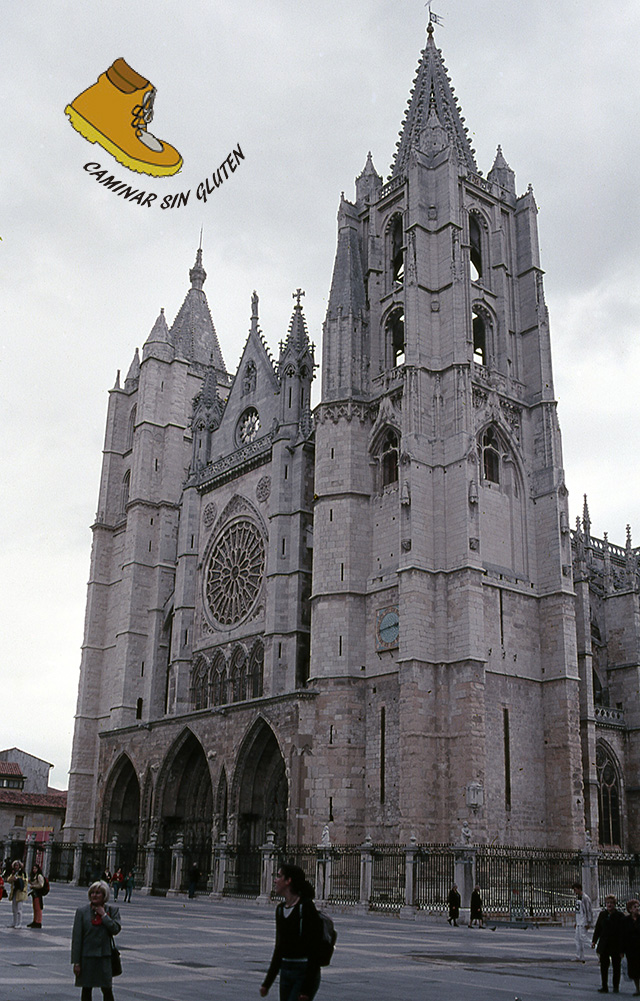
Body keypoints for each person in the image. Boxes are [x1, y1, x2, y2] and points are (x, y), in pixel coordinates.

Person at [260, 864, 322, 1001]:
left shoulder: (306, 908)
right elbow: (279, 947)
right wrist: (267, 983)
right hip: (286, 970)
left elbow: (314, 949)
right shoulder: (281, 909)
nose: (275, 880)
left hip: (303, 971)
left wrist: (306, 989)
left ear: (288, 881)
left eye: (279, 876)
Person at [72, 879, 121, 1001]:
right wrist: (76, 962)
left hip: (104, 957)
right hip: (87, 958)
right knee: (86, 989)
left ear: (105, 895)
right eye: (92, 892)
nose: (94, 895)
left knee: (107, 989)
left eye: (98, 893)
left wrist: (104, 916)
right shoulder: (82, 912)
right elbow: (77, 938)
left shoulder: (112, 911)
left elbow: (115, 929)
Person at [592, 893, 625, 994]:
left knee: (616, 967)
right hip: (604, 944)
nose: (609, 905)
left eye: (611, 903)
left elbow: (623, 933)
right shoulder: (603, 915)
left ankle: (616, 986)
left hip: (615, 945)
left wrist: (622, 949)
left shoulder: (619, 916)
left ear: (615, 904)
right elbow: (598, 929)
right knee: (604, 967)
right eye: (607, 903)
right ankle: (604, 986)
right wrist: (594, 941)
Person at [572, 882, 593, 962]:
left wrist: (588, 922)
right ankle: (579, 956)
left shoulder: (585, 898)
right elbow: (578, 911)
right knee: (577, 939)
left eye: (575, 889)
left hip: (583, 921)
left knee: (583, 938)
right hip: (579, 921)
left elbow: (588, 910)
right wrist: (576, 921)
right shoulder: (578, 898)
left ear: (579, 889)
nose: (575, 891)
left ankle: (596, 947)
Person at [7, 859, 28, 928]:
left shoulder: (22, 873)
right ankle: (14, 922)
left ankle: (19, 923)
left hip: (20, 893)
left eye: (17, 865)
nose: (16, 867)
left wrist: (19, 879)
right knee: (14, 909)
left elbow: (25, 882)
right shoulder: (14, 873)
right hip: (14, 892)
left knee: (19, 909)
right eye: (15, 865)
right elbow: (8, 880)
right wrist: (13, 877)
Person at [625, 899, 640, 996]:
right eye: (635, 907)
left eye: (638, 906)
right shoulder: (626, 921)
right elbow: (623, 935)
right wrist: (622, 950)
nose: (637, 909)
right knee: (634, 970)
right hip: (631, 949)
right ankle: (638, 989)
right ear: (630, 909)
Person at [28, 863, 45, 928]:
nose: (34, 870)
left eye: (35, 868)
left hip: (38, 893)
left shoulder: (39, 876)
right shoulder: (34, 876)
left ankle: (38, 922)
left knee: (38, 908)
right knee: (35, 907)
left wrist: (33, 886)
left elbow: (41, 885)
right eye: (33, 868)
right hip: (34, 893)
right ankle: (35, 921)